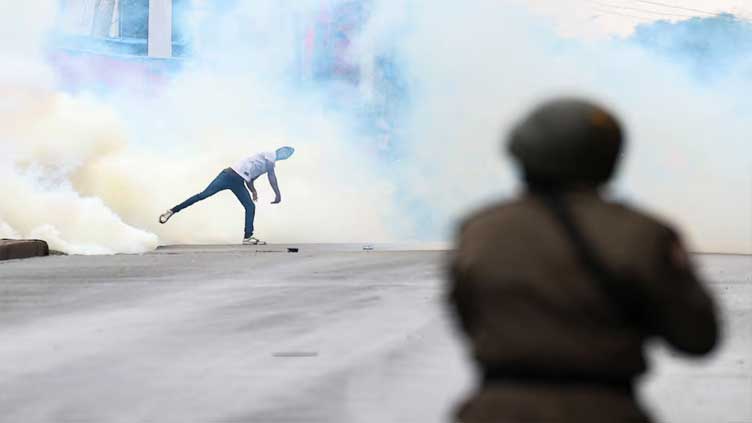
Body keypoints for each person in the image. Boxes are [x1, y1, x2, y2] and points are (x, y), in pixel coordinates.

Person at [448, 99, 719, 423]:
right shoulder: (641, 234)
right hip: (604, 410)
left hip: (494, 411)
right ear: (607, 158)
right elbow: (697, 337)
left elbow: (467, 316)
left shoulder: (479, 230)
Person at [159, 146, 295, 245]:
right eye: (286, 151)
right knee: (203, 195)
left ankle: (248, 237)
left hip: (238, 182)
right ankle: (172, 211)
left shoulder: (266, 165)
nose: (286, 155)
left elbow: (251, 179)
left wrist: (253, 191)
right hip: (227, 176)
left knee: (250, 206)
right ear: (279, 150)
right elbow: (272, 177)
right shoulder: (270, 155)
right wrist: (277, 194)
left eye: (289, 155)